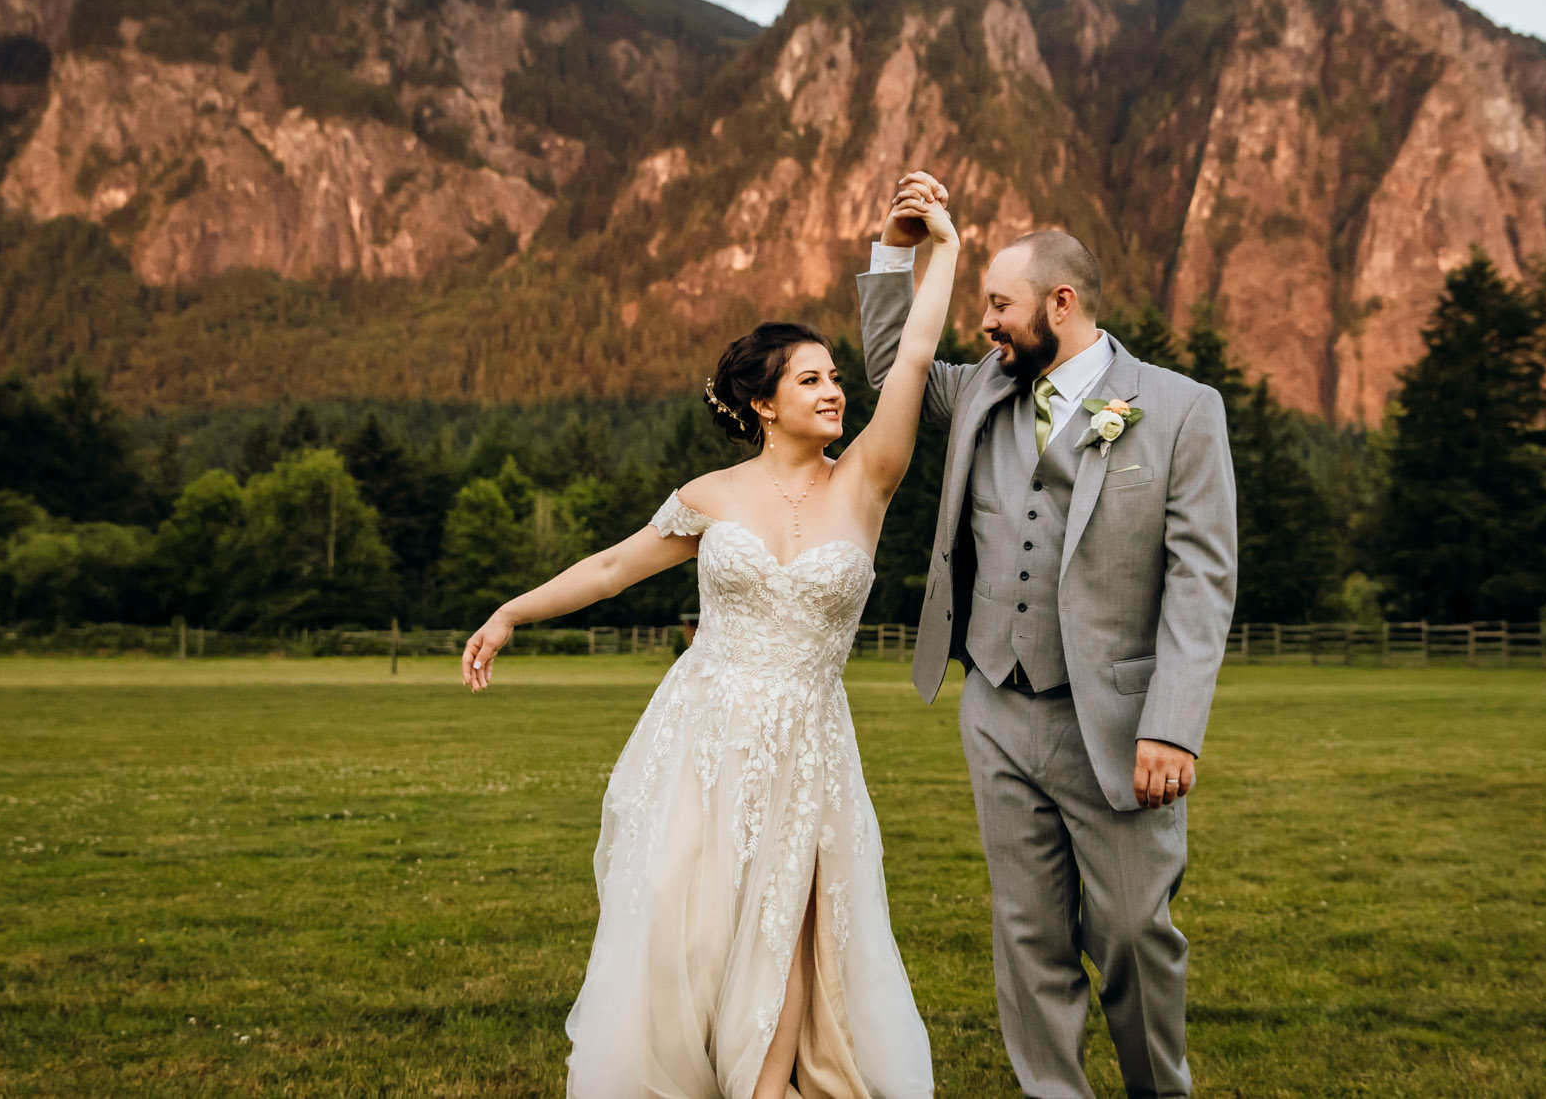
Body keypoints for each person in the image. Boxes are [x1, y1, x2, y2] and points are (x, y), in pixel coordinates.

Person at [461, 189, 961, 1099]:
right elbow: (612, 567)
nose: (834, 390)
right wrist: (509, 613)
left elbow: (918, 356)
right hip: (700, 734)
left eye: (834, 378)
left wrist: (942, 251)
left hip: (807, 738)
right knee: (686, 927)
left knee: (789, 923)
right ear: (764, 403)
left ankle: (765, 1089)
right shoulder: (711, 495)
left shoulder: (868, 483)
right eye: (810, 379)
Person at [857, 172, 1238, 1099]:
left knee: (1136, 936)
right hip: (994, 704)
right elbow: (888, 369)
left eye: (999, 304)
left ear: (1059, 305)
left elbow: (1203, 577)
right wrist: (893, 251)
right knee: (1027, 934)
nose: (984, 322)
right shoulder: (982, 389)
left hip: (1115, 719)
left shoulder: (1182, 409)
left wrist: (1174, 723)